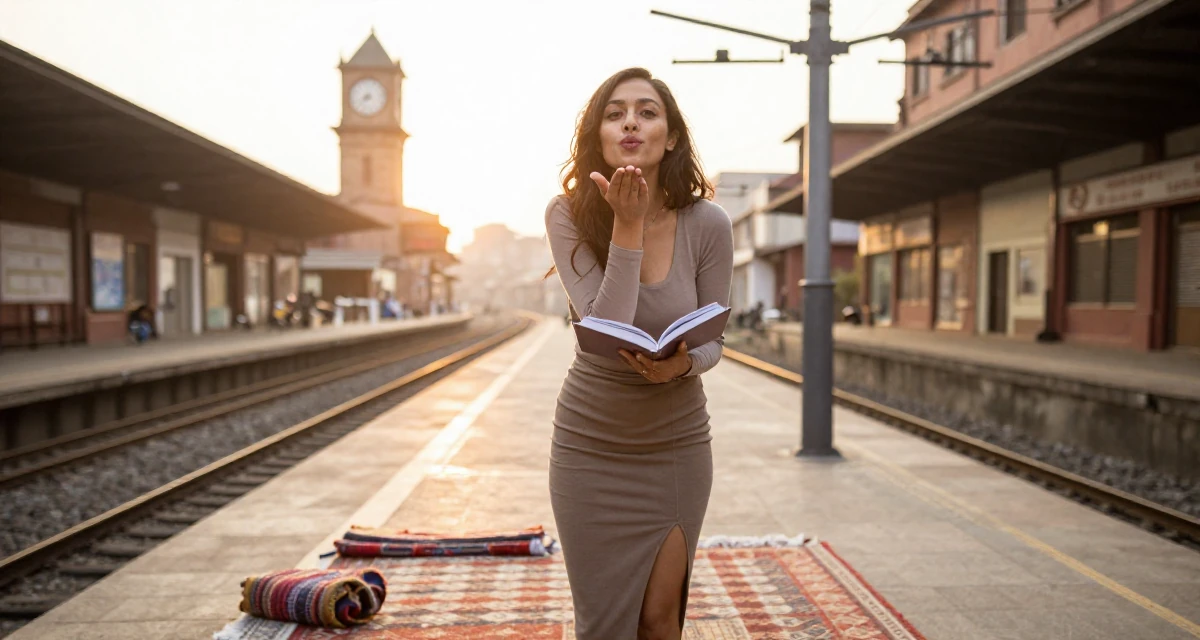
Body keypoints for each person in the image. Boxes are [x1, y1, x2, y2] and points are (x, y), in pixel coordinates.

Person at [544, 67, 733, 640]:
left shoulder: (709, 223)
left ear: (670, 136)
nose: (630, 121)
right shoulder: (567, 213)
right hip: (590, 442)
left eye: (648, 112)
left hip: (673, 442)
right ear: (598, 135)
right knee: (603, 624)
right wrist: (627, 226)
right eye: (615, 112)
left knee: (659, 619)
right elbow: (606, 325)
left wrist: (684, 363)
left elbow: (715, 339)